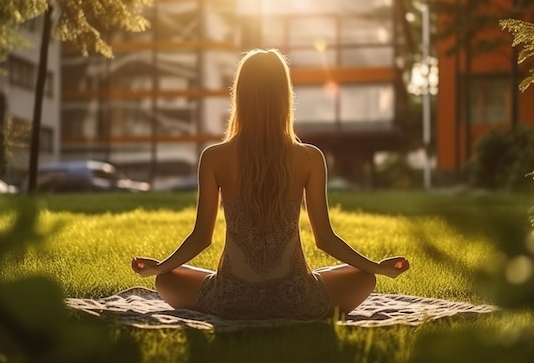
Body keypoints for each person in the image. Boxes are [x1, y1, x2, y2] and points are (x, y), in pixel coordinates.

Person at [132, 48, 410, 319]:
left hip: (230, 299)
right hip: (296, 299)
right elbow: (325, 240)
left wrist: (161, 268)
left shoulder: (214, 157)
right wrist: (376, 267)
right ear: (285, 96)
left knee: (166, 281)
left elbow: (201, 238)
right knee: (364, 278)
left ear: (239, 95)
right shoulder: (310, 157)